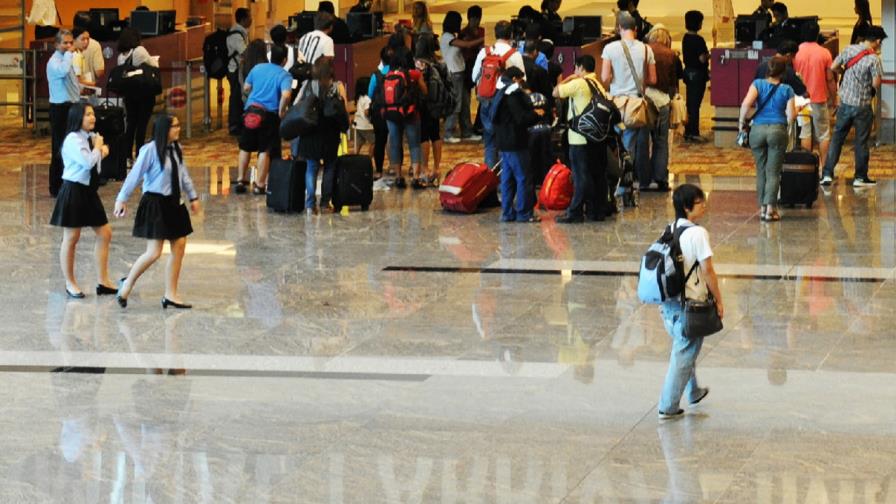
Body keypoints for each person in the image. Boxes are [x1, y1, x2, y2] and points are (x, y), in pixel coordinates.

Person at [114, 115, 200, 309]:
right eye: (174, 126)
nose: (178, 129)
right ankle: (127, 284)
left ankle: (171, 294)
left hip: (174, 204)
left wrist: (193, 197)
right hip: (156, 203)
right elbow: (134, 176)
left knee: (179, 245)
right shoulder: (150, 150)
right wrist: (122, 198)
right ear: (163, 130)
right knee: (153, 252)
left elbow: (183, 175)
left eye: (178, 125)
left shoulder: (177, 149)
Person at [657, 183, 721, 420]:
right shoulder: (698, 233)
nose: (704, 205)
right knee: (684, 353)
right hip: (690, 306)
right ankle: (668, 406)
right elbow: (708, 271)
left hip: (669, 305)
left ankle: (692, 391)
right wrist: (719, 300)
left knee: (685, 347)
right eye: (699, 202)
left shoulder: (670, 228)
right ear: (686, 207)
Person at [49, 103, 115, 298]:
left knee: (105, 233)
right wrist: (100, 150)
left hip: (88, 191)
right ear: (78, 117)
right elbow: (87, 162)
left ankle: (103, 281)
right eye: (87, 115)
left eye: (93, 114)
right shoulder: (72, 139)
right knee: (71, 238)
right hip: (74, 189)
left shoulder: (90, 137)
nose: (92, 118)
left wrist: (99, 148)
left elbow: (96, 164)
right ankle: (70, 283)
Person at [820, 25, 886, 187]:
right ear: (877, 41)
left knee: (837, 139)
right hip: (862, 106)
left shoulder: (849, 50)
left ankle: (827, 174)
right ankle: (860, 177)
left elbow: (833, 67)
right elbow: (876, 83)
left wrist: (846, 73)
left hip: (845, 104)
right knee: (861, 142)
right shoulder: (873, 59)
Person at [601, 12, 656, 191]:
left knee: (613, 145)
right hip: (635, 105)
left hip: (615, 104)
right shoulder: (647, 49)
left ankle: (613, 182)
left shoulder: (610, 49)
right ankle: (624, 186)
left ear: (618, 28)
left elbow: (605, 78)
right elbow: (653, 79)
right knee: (629, 147)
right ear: (636, 29)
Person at [738, 55, 796, 221]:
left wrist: (741, 123)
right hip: (778, 130)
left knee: (761, 170)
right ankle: (771, 208)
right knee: (773, 172)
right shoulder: (787, 90)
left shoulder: (757, 84)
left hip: (757, 130)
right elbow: (791, 116)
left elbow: (745, 104)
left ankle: (762, 208)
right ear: (783, 72)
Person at [554, 55, 609, 223]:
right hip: (596, 138)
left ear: (580, 68)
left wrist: (570, 77)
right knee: (596, 175)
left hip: (579, 137)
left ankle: (575, 211)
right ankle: (596, 210)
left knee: (580, 176)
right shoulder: (598, 85)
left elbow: (556, 92)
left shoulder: (578, 83)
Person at [235, 45, 292, 195]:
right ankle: (259, 185)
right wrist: (281, 111)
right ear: (285, 60)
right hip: (269, 115)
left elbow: (246, 88)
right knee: (264, 150)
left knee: (245, 146)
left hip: (250, 112)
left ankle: (241, 180)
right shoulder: (284, 75)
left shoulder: (258, 68)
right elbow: (286, 95)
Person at [295, 58, 348, 212]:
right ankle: (325, 203)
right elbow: (342, 109)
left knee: (311, 167)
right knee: (330, 167)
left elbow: (296, 105)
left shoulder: (308, 85)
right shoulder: (337, 87)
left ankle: (310, 204)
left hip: (311, 132)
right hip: (331, 133)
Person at [472, 20, 527, 169]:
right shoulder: (514, 55)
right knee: (505, 145)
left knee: (490, 143)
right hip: (506, 104)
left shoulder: (485, 52)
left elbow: (474, 77)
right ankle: (505, 181)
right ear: (511, 35)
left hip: (486, 101)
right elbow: (522, 81)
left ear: (495, 34)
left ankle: (489, 180)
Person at [494, 67, 542, 223]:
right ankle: (524, 213)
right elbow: (521, 118)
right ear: (515, 79)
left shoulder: (499, 92)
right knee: (523, 177)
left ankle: (507, 213)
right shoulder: (513, 94)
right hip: (515, 142)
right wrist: (536, 114)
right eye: (521, 79)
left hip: (502, 142)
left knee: (507, 179)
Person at [793, 20, 836, 169]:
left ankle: (807, 167)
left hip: (801, 100)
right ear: (817, 35)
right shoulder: (824, 53)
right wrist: (834, 98)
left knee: (805, 132)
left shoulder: (796, 52)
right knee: (823, 134)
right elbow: (830, 78)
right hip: (819, 99)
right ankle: (825, 169)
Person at [382, 47, 426, 189]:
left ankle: (399, 177)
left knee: (395, 143)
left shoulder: (387, 74)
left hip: (391, 113)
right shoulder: (414, 74)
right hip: (410, 113)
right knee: (414, 144)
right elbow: (425, 91)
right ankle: (415, 178)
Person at [645, 25, 680, 192]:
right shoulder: (671, 54)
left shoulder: (644, 51)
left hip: (645, 100)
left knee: (643, 140)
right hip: (663, 101)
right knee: (661, 141)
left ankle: (643, 177)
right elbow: (673, 84)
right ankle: (660, 178)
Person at [440, 11, 483, 143]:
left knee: (465, 104)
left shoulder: (453, 36)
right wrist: (485, 38)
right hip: (454, 74)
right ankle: (448, 132)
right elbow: (468, 45)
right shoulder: (447, 37)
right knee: (456, 104)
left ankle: (467, 131)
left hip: (461, 73)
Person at [117, 28, 159, 163]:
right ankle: (140, 153)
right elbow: (153, 64)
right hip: (144, 92)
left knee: (131, 124)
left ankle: (127, 155)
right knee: (142, 124)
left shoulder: (120, 57)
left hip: (129, 94)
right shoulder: (139, 51)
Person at [46, 30, 80, 197]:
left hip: (70, 106)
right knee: (59, 147)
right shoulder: (54, 61)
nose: (68, 46)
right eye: (65, 43)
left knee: (70, 146)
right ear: (57, 44)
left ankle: (68, 183)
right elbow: (63, 71)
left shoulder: (65, 59)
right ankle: (55, 186)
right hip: (59, 108)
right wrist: (69, 54)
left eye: (70, 43)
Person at [414, 33, 445, 187]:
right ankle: (437, 168)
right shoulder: (438, 61)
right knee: (436, 133)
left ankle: (425, 168)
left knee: (424, 135)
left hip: (424, 103)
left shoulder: (420, 63)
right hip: (437, 103)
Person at [682, 11, 709, 143]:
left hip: (688, 73)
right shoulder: (699, 40)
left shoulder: (685, 38)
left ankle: (688, 131)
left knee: (690, 103)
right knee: (695, 105)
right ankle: (693, 132)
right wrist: (709, 55)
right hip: (698, 74)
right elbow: (702, 59)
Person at [460, 6, 485, 138]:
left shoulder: (482, 31)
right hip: (467, 67)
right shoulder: (464, 32)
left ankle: (478, 124)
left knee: (482, 94)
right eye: (474, 18)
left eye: (478, 18)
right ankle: (467, 126)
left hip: (480, 66)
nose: (476, 21)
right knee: (466, 100)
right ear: (469, 18)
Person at [368, 46, 392, 179]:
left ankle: (379, 170)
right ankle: (396, 169)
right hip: (396, 111)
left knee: (380, 141)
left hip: (379, 113)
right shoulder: (398, 74)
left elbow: (370, 94)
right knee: (395, 140)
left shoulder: (376, 76)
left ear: (381, 59)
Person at [226, 8, 251, 136]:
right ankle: (234, 125)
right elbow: (244, 52)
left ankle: (238, 123)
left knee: (238, 97)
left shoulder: (241, 32)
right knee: (235, 97)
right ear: (243, 19)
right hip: (234, 70)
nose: (251, 19)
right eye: (249, 17)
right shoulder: (236, 34)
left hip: (238, 70)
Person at [353, 76, 376, 157]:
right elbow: (367, 112)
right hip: (367, 126)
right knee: (374, 142)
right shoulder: (367, 99)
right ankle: (369, 158)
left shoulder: (358, 98)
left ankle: (354, 159)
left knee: (358, 144)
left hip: (358, 125)